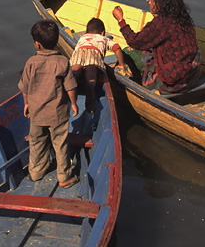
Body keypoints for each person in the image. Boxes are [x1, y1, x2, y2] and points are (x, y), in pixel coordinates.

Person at [18, 19, 79, 187]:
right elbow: (71, 87)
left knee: (37, 142)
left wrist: (26, 104)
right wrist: (73, 104)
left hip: (37, 113)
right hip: (57, 114)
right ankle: (64, 177)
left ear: (37, 44)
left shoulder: (31, 63)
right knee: (60, 144)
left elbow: (25, 88)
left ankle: (36, 172)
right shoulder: (62, 62)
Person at [112, 0, 201, 95]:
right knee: (149, 50)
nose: (150, 1)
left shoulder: (161, 23)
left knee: (127, 53)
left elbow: (134, 41)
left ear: (160, 4)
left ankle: (132, 87)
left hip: (173, 82)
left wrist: (121, 20)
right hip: (191, 76)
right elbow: (162, 32)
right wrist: (155, 6)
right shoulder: (183, 17)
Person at [70, 17, 128, 112]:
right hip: (94, 53)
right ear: (103, 33)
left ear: (86, 33)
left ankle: (72, 80)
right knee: (91, 70)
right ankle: (90, 85)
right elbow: (117, 48)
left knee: (76, 67)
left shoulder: (82, 37)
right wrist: (121, 65)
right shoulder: (104, 39)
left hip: (79, 52)